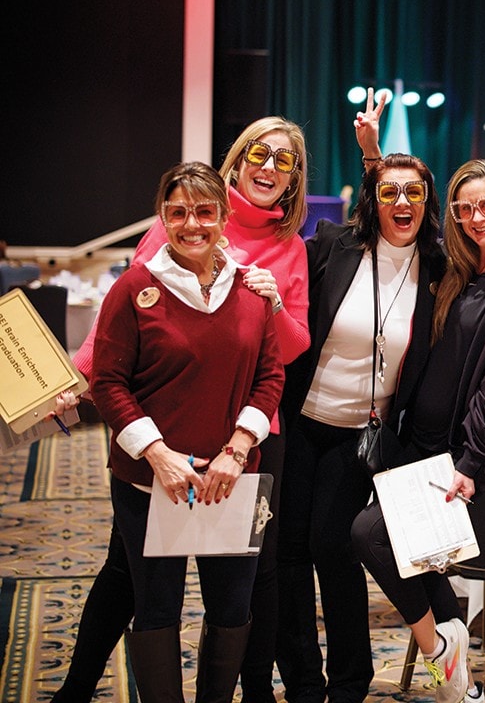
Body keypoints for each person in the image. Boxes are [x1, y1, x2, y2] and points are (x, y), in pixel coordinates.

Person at [53, 117, 311, 703]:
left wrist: (238, 447)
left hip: (241, 449)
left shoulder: (275, 263)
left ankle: (253, 691)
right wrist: (78, 382)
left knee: (242, 590)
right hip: (156, 459)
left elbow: (278, 361)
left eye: (284, 160)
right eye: (258, 154)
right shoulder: (146, 273)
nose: (193, 224)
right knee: (142, 587)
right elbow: (114, 352)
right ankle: (77, 689)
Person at [352, 158, 485, 703]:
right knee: (420, 563)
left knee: (369, 534)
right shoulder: (453, 271)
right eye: (464, 209)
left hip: (457, 459)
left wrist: (469, 463)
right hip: (415, 447)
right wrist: (371, 157)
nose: (475, 217)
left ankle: (437, 651)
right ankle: (456, 683)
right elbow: (390, 209)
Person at [90, 161, 284, 703]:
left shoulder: (250, 289)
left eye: (204, 212)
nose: (191, 224)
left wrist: (237, 450)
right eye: (178, 213)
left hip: (232, 481)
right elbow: (108, 382)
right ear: (163, 217)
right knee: (156, 610)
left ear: (223, 218)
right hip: (150, 484)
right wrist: (157, 454)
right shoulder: (134, 288)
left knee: (232, 610)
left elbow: (270, 376)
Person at [274, 91, 443, 703]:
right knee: (287, 550)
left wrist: (376, 155)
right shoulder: (334, 246)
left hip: (361, 435)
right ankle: (302, 680)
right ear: (374, 198)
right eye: (389, 192)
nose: (402, 203)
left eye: (414, 193)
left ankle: (349, 680)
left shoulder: (438, 269)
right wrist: (371, 155)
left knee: (333, 545)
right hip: (300, 421)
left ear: (428, 203)